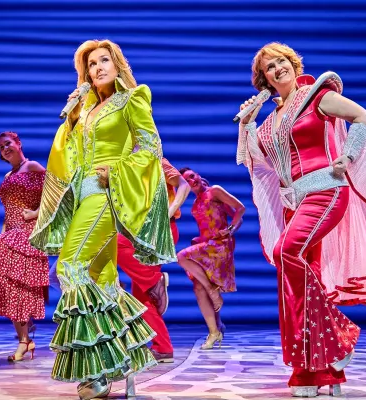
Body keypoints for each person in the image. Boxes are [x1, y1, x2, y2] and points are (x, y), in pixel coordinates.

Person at [236, 42, 366, 398]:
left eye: (282, 61)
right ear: (264, 80)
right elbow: (259, 163)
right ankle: (314, 371)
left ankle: (341, 336)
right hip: (295, 202)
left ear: (293, 63)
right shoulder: (270, 121)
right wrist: (248, 123)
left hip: (326, 191)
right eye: (270, 68)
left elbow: (363, 117)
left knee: (286, 251)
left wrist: (347, 157)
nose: (278, 69)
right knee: (298, 280)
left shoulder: (317, 95)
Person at [30, 39, 176, 399]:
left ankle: (96, 369)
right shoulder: (85, 109)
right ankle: (126, 362)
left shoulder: (133, 98)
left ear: (117, 64)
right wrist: (71, 120)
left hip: (106, 195)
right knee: (104, 280)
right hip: (83, 197)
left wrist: (120, 170)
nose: (97, 68)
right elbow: (68, 158)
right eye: (91, 64)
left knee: (69, 268)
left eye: (103, 60)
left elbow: (152, 148)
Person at [0, 131, 49, 362]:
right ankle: (25, 337)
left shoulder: (32, 166)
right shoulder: (8, 175)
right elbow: (8, 211)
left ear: (18, 143)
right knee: (3, 277)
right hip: (11, 231)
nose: (5, 149)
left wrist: (35, 213)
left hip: (29, 231)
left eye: (8, 144)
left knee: (18, 285)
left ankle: (24, 340)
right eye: (1, 147)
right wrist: (2, 234)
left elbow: (54, 195)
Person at [114, 156, 188, 364]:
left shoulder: (156, 160)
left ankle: (153, 280)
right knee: (142, 295)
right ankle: (163, 348)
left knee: (114, 244)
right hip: (139, 231)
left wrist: (168, 213)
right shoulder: (124, 164)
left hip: (158, 231)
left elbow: (184, 185)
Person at [176, 167, 244, 350]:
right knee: (198, 288)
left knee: (181, 257)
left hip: (219, 246)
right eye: (187, 181)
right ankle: (215, 330)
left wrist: (230, 230)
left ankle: (213, 291)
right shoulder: (195, 203)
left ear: (198, 175)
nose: (192, 181)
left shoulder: (214, 191)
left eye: (192, 176)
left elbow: (240, 210)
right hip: (207, 246)